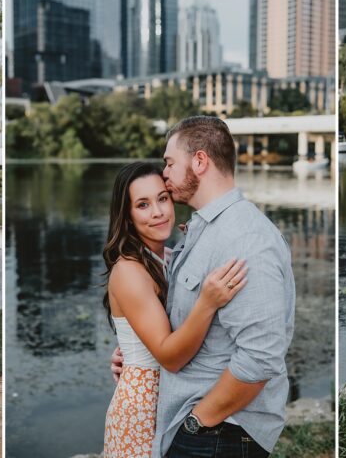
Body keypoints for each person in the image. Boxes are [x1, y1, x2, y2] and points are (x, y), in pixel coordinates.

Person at [113, 116, 295, 457]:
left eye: (169, 162)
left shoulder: (246, 238)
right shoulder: (206, 229)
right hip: (199, 426)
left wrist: (199, 421)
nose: (165, 174)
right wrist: (138, 352)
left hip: (219, 431)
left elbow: (260, 357)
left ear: (199, 161)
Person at [102, 162, 249, 458]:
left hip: (174, 401)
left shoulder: (169, 256)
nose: (158, 212)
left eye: (162, 198)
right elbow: (169, 356)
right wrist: (207, 303)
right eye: (142, 205)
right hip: (143, 409)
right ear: (127, 216)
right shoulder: (130, 270)